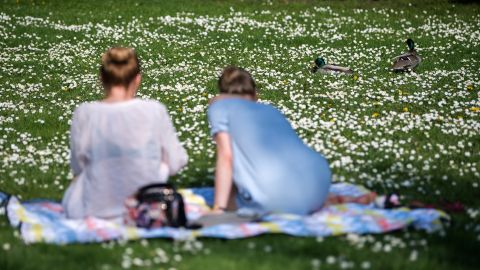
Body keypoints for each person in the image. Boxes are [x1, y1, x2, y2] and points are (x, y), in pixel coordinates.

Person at [62, 47, 188, 219]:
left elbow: (78, 166)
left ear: (102, 78)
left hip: (95, 209)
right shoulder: (154, 110)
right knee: (162, 163)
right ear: (137, 79)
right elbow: (176, 161)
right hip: (145, 204)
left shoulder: (85, 113)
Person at [207, 66, 332, 216]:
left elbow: (226, 157)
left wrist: (219, 208)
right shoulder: (271, 110)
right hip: (319, 184)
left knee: (232, 201)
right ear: (255, 94)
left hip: (273, 196)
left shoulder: (219, 108)